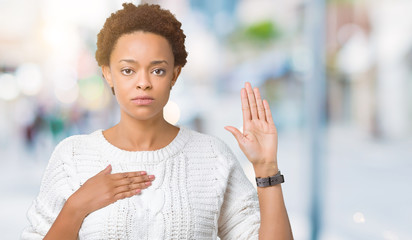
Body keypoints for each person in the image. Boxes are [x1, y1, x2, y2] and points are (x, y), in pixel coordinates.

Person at [21, 3, 293, 240]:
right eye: (128, 70)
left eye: (158, 70)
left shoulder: (213, 157)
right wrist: (76, 207)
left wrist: (266, 168)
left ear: (174, 75)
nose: (143, 83)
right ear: (108, 74)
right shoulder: (72, 156)